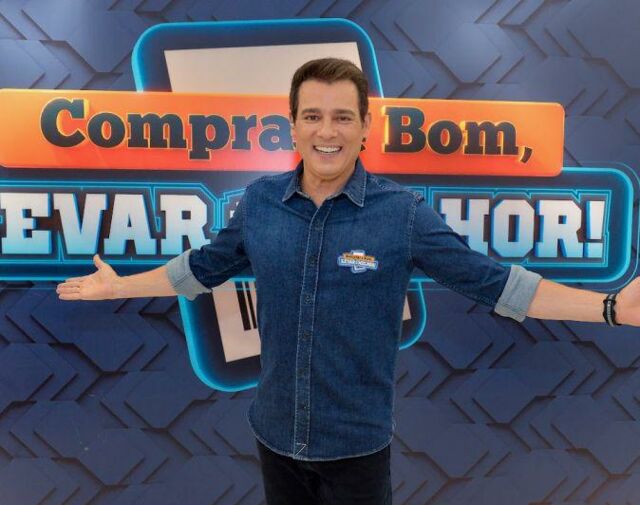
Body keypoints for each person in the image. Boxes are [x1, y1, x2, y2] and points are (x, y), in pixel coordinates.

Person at [57, 58, 640, 505]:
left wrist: (611, 307)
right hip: (275, 437)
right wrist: (118, 287)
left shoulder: (403, 215)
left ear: (365, 128)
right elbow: (200, 269)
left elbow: (500, 285)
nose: (326, 131)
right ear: (292, 127)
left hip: (356, 449)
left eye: (342, 117)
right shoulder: (260, 204)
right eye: (312, 116)